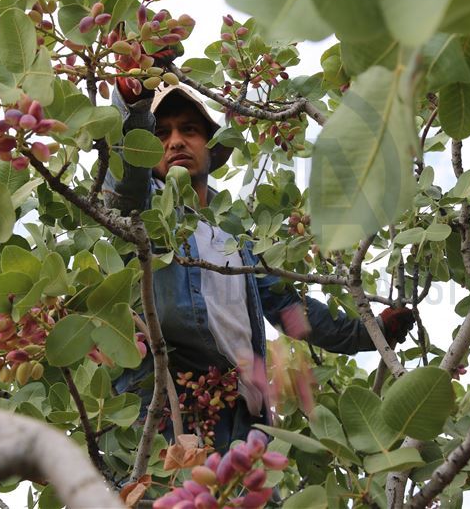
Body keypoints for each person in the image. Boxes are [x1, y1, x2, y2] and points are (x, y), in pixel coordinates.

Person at [104, 78, 415, 451]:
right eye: (162, 134)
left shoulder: (237, 239)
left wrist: (367, 334)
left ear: (212, 146)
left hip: (238, 411)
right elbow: (123, 189)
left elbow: (291, 312)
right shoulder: (147, 213)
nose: (174, 142)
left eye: (189, 130)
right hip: (165, 403)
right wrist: (133, 108)